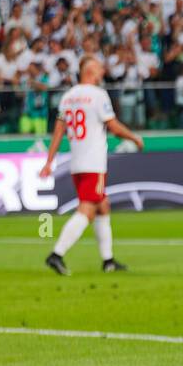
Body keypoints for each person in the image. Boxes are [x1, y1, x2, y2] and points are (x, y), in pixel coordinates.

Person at [39, 56, 146, 275]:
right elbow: (113, 126)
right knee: (87, 209)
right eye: (98, 68)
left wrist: (49, 162)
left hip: (77, 162)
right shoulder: (98, 95)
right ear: (88, 71)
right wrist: (134, 138)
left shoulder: (68, 97)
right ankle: (56, 254)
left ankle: (108, 261)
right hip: (94, 163)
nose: (102, 71)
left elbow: (59, 131)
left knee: (102, 205)